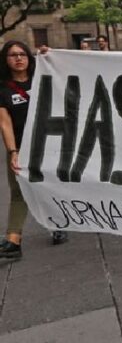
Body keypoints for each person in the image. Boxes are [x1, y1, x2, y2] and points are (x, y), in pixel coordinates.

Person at [0, 41, 67, 260]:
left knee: (49, 186)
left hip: (49, 145)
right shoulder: (3, 89)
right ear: (6, 60)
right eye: (12, 55)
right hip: (21, 148)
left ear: (30, 58)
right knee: (19, 192)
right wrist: (13, 151)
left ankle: (57, 224)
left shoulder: (42, 78)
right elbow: (5, 123)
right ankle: (13, 241)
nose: (18, 58)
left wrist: (51, 56)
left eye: (22, 54)